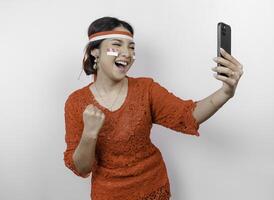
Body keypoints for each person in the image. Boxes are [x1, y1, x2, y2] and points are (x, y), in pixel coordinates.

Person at [63, 16, 243, 200]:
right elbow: (82, 168)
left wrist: (226, 92)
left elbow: (187, 115)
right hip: (108, 194)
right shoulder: (76, 102)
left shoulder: (146, 89)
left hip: (153, 187)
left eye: (131, 47)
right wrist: (89, 134)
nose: (127, 53)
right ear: (95, 51)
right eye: (117, 44)